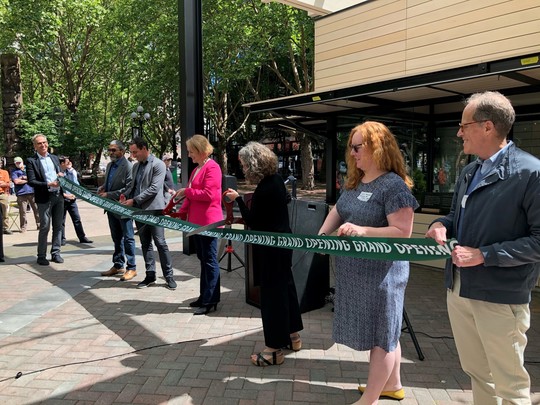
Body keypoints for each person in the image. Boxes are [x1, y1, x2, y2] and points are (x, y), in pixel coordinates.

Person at [425, 91, 540, 405]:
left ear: (488, 127)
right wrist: (441, 224)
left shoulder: (531, 172)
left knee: (510, 385)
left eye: (464, 125)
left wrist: (484, 255)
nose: (459, 132)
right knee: (478, 373)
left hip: (500, 296)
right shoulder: (469, 171)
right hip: (459, 289)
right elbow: (455, 216)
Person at [317, 121, 418, 404]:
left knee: (382, 336)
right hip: (357, 275)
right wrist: (323, 235)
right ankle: (392, 385)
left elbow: (402, 233)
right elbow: (339, 209)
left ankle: (370, 399)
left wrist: (363, 230)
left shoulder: (394, 186)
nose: (352, 153)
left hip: (382, 276)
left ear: (377, 148)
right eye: (351, 147)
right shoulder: (356, 182)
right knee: (386, 332)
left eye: (357, 147)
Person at [225, 142, 303, 367]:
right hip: (282, 245)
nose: (243, 168)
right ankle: (293, 336)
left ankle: (273, 349)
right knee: (286, 289)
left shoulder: (265, 187)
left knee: (272, 297)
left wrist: (237, 199)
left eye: (243, 164)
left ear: (253, 163)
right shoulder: (277, 181)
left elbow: (253, 221)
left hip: (270, 250)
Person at [175, 135, 222, 315]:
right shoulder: (197, 169)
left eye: (191, 151)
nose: (189, 155)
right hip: (196, 222)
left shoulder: (213, 168)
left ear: (202, 151)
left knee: (209, 261)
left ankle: (211, 299)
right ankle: (205, 296)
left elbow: (208, 195)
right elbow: (190, 197)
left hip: (209, 222)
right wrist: (181, 212)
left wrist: (187, 191)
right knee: (204, 259)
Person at [121, 137, 176, 290]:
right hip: (139, 211)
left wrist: (134, 200)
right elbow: (133, 187)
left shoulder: (158, 165)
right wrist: (123, 196)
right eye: (131, 152)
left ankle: (169, 276)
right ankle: (150, 275)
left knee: (160, 242)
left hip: (154, 210)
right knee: (145, 244)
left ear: (144, 148)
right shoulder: (136, 166)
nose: (133, 155)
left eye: (135, 152)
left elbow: (154, 189)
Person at [97, 141, 137, 280]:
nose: (111, 152)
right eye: (109, 150)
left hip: (122, 207)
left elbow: (128, 188)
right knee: (116, 238)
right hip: (110, 208)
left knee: (128, 238)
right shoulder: (109, 165)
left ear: (122, 151)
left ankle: (131, 267)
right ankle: (118, 264)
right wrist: (103, 188)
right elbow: (109, 183)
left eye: (114, 150)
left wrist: (109, 194)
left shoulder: (128, 166)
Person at [26, 134, 65, 265]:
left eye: (44, 142)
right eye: (39, 143)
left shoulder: (54, 158)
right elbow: (31, 181)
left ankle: (56, 253)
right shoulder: (32, 161)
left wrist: (60, 176)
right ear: (35, 146)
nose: (43, 145)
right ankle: (41, 255)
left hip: (58, 196)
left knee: (58, 226)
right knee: (45, 226)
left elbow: (59, 174)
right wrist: (48, 184)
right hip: (44, 198)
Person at [59, 156, 93, 245]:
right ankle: (62, 239)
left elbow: (75, 184)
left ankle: (82, 237)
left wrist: (71, 170)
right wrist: (65, 195)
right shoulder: (57, 173)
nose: (69, 163)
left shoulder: (69, 172)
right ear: (62, 164)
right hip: (62, 200)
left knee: (77, 219)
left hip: (72, 200)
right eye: (67, 162)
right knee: (61, 221)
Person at [11, 157, 40, 233]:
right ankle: (23, 227)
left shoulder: (29, 168)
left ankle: (39, 224)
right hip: (21, 193)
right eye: (16, 163)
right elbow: (16, 181)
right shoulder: (14, 171)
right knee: (22, 211)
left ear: (22, 161)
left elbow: (35, 178)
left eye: (19, 162)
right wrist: (28, 180)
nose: (18, 164)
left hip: (32, 192)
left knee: (37, 209)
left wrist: (24, 178)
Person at [0, 161, 11, 234]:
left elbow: (7, 184)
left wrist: (3, 184)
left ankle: (5, 228)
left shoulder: (4, 172)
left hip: (2, 194)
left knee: (5, 212)